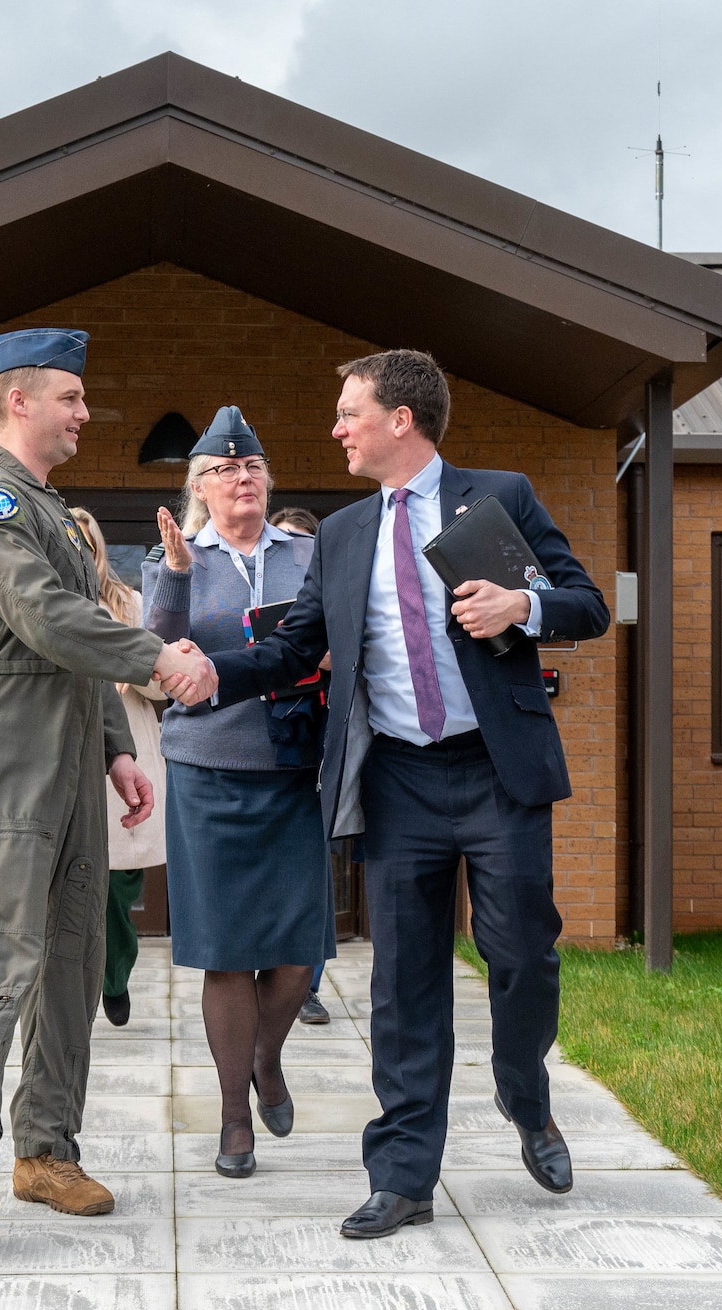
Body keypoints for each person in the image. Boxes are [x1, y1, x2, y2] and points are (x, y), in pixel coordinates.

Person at [162, 350, 610, 1238]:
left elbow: (588, 602)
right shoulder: (342, 533)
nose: (335, 428)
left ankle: (525, 1089)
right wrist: (213, 672)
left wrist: (524, 609)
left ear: (400, 419)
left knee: (522, 951)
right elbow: (294, 650)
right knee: (404, 985)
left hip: (496, 770)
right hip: (400, 778)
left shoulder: (500, 496)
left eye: (347, 412)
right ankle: (404, 1172)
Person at [0, 327, 210, 1242]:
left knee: (76, 957)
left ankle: (46, 1151)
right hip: (3, 742)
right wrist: (158, 657)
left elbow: (73, 634)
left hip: (68, 739)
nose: (87, 412)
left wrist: (117, 748)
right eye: (72, 397)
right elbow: (43, 618)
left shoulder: (50, 507)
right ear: (20, 400)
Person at [144, 406, 335, 1179]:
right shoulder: (177, 557)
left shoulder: (311, 553)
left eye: (251, 466)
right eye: (224, 469)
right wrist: (181, 576)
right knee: (226, 954)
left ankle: (266, 1053)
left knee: (296, 951)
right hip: (210, 768)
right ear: (200, 486)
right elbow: (158, 651)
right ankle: (232, 1118)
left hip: (295, 769)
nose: (241, 478)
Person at [69, 507, 167, 1028]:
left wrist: (137, 667)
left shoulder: (130, 603)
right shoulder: (53, 603)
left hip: (127, 755)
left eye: (91, 541)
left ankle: (115, 975)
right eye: (75, 541)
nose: (84, 551)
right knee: (79, 883)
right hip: (72, 753)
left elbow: (163, 683)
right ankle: (81, 983)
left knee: (120, 888)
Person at [269, 506, 332, 1028]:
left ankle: (308, 985)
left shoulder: (333, 587)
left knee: (311, 876)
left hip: (327, 741)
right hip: (277, 737)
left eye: (303, 542)